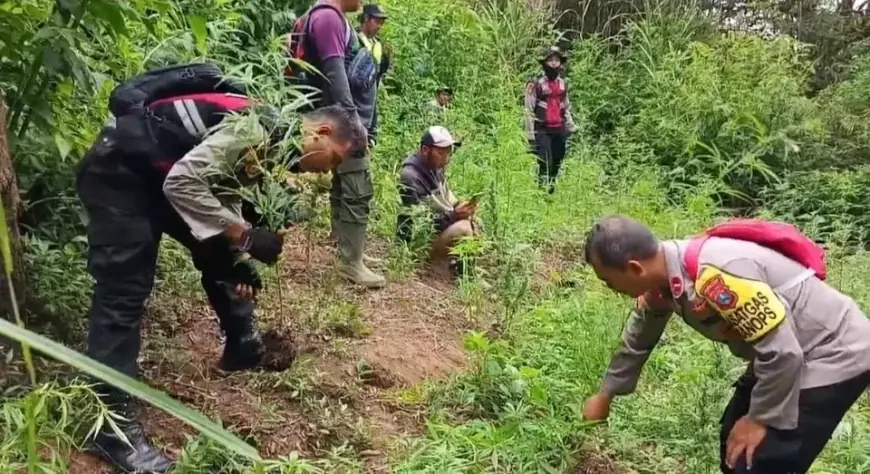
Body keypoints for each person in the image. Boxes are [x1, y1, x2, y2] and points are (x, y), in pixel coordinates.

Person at [75, 64, 365, 473]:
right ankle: (112, 431)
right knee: (122, 296)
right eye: (334, 159)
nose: (329, 171)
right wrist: (245, 235)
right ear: (319, 133)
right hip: (119, 174)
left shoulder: (274, 142)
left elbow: (215, 194)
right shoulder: (254, 130)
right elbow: (184, 184)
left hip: (155, 173)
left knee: (222, 249)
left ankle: (243, 343)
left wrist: (238, 254)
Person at [581, 215, 870, 474]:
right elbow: (638, 337)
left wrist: (760, 419)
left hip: (832, 352)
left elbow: (784, 353)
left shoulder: (718, 275)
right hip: (783, 351)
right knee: (732, 441)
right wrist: (606, 394)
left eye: (608, 281)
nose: (610, 289)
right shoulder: (661, 281)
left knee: (760, 459)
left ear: (634, 268)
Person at [293, 0, 386, 289]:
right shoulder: (329, 19)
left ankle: (345, 247)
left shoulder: (328, 17)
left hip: (337, 119)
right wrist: (354, 123)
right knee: (358, 188)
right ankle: (351, 262)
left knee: (344, 183)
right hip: (339, 122)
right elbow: (336, 75)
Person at [396, 126, 479, 277]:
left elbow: (449, 199)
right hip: (417, 243)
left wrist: (463, 207)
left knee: (475, 220)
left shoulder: (433, 168)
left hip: (437, 229)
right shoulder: (410, 177)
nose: (446, 159)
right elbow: (421, 225)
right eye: (440, 153)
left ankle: (457, 264)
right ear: (425, 150)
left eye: (448, 153)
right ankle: (465, 275)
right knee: (464, 228)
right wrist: (454, 215)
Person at [524, 46, 577, 194]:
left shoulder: (563, 84)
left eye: (557, 60)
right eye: (550, 60)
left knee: (557, 161)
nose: (554, 63)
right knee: (544, 162)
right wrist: (530, 134)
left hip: (559, 129)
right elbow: (528, 110)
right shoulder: (535, 83)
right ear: (545, 62)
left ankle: (550, 191)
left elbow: (565, 106)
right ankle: (541, 193)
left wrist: (571, 126)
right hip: (542, 129)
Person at [357, 3, 392, 147]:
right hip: (355, 100)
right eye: (377, 22)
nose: (379, 26)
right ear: (366, 18)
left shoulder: (377, 44)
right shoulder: (353, 39)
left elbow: (379, 73)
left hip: (371, 99)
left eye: (382, 23)